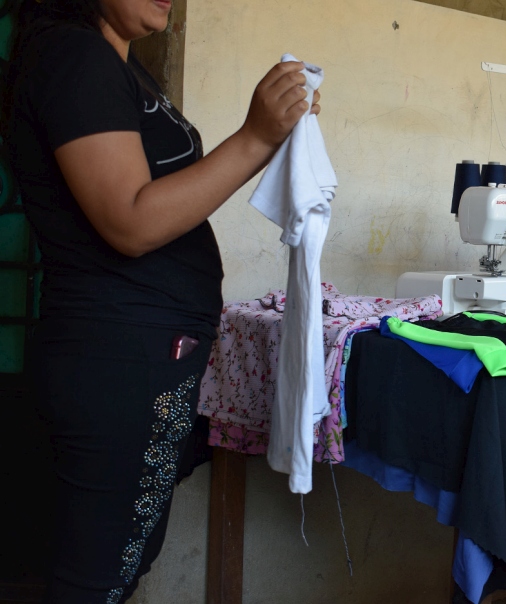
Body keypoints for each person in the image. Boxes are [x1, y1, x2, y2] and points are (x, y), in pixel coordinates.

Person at [3, 1, 320, 601]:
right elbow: (131, 220)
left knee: (122, 559)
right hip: (118, 355)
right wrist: (255, 137)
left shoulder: (116, 64)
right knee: (96, 578)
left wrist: (276, 134)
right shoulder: (72, 56)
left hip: (143, 352)